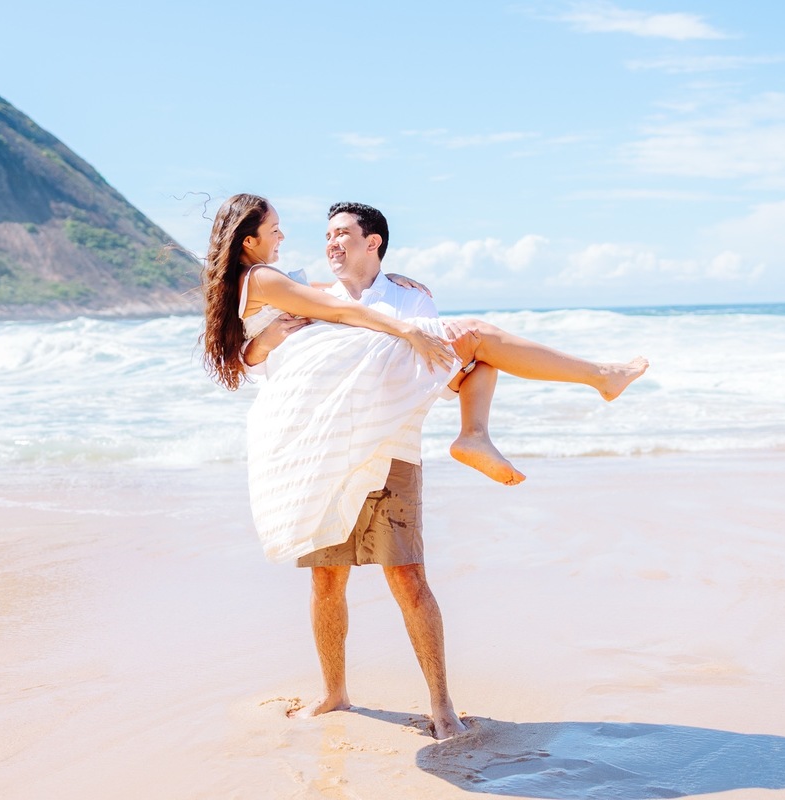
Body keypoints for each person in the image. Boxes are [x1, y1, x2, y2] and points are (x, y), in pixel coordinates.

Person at [198, 195, 645, 739]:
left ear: (373, 243)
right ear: (251, 240)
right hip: (328, 443)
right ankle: (335, 692)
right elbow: (298, 332)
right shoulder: (298, 288)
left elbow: (268, 344)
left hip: (390, 443)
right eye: (285, 230)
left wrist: (405, 320)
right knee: (326, 579)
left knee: (409, 578)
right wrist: (268, 344)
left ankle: (441, 705)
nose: (318, 241)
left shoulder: (401, 295)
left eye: (341, 233)